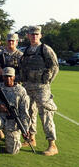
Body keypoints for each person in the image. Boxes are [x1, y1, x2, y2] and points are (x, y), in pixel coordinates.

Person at [20, 26, 59, 156]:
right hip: (27, 86)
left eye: (36, 34)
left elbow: (55, 67)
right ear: (28, 36)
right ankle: (31, 138)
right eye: (32, 34)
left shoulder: (45, 49)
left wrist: (47, 82)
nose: (34, 36)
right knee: (29, 112)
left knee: (45, 114)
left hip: (41, 88)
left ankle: (52, 144)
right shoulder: (26, 50)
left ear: (40, 35)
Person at [0, 67, 30, 158]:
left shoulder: (21, 91)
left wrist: (25, 129)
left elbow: (24, 112)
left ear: (14, 77)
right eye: (6, 76)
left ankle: (12, 139)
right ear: (2, 77)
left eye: (10, 76)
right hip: (0, 117)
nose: (8, 79)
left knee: (12, 151)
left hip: (14, 121)